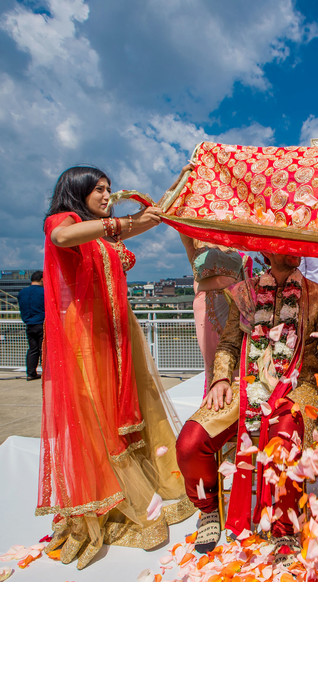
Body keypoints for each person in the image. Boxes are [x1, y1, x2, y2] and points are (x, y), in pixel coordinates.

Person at [39, 166, 193, 569]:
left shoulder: (101, 229)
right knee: (98, 414)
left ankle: (146, 483)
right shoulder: (67, 221)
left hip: (119, 330)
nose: (107, 195)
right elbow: (60, 238)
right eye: (99, 189)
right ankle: (109, 501)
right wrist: (116, 221)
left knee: (133, 408)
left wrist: (179, 188)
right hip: (88, 334)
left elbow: (145, 219)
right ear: (78, 192)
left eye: (109, 189)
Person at [175, 253, 318, 556]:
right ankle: (208, 508)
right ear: (267, 248)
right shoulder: (245, 293)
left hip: (298, 388)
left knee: (283, 440)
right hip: (247, 385)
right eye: (285, 243)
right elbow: (228, 344)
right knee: (190, 442)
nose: (295, 250)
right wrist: (221, 379)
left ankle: (284, 528)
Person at [179, 234, 248, 393]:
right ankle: (214, 406)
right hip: (208, 304)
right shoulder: (194, 237)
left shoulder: (230, 235)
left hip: (234, 304)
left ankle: (239, 406)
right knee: (214, 361)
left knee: (237, 357)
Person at [17, 270, 44, 381]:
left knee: (32, 349)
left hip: (29, 324)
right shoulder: (44, 292)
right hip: (41, 324)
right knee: (43, 350)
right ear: (42, 279)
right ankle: (47, 373)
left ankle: (31, 373)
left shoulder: (22, 292)